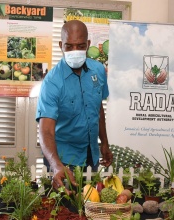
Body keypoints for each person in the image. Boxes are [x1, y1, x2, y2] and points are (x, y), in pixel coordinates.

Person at [35, 20, 113, 194]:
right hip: (63, 158)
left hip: (90, 154)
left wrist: (104, 143)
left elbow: (97, 108)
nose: (75, 51)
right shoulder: (52, 82)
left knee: (89, 203)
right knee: (63, 209)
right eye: (69, 47)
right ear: (61, 45)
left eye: (80, 46)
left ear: (88, 45)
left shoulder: (98, 71)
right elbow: (46, 130)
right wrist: (56, 166)